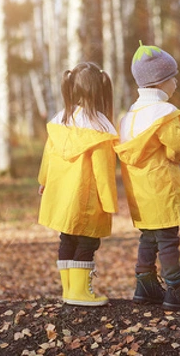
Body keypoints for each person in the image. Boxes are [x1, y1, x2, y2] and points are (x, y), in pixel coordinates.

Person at [115, 41, 180, 311]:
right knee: (169, 239)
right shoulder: (164, 114)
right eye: (174, 78)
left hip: (140, 192)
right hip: (162, 188)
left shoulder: (129, 116)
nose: (177, 83)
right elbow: (177, 148)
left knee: (148, 236)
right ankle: (175, 288)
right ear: (160, 82)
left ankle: (145, 284)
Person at [37, 62, 118, 306]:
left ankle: (69, 289)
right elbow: (103, 171)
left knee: (67, 238)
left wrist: (44, 181)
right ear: (100, 92)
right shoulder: (100, 127)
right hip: (87, 198)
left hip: (62, 196)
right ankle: (80, 292)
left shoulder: (61, 121)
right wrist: (109, 201)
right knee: (87, 241)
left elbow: (48, 155)